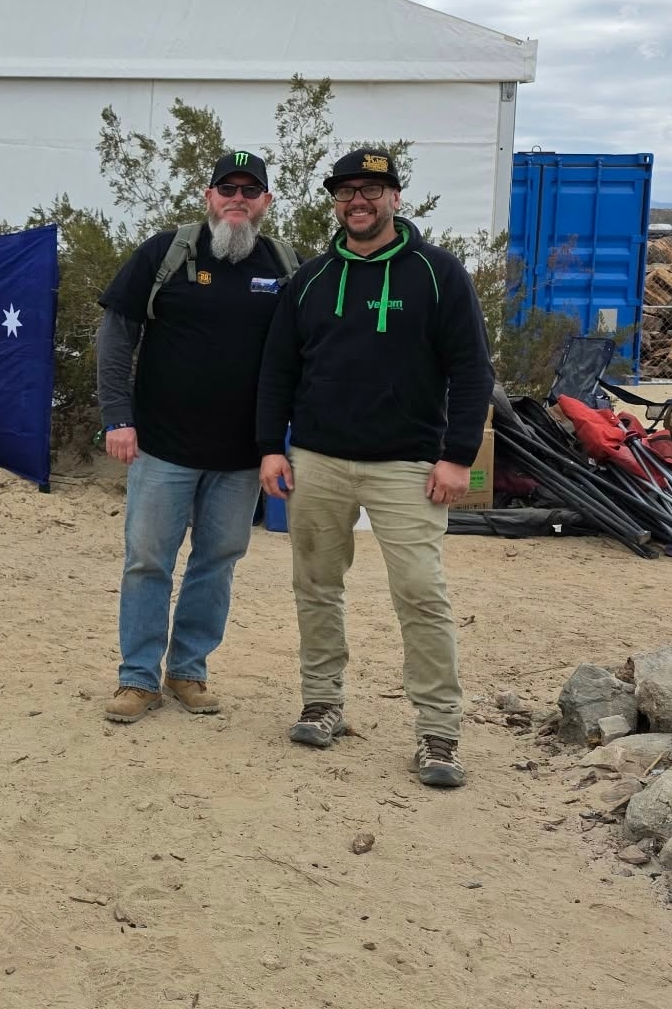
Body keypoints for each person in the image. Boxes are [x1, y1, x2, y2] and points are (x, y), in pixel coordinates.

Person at [255, 147, 492, 789]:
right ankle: (323, 701)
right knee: (316, 584)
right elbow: (278, 369)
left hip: (410, 466)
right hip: (319, 460)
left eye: (372, 190)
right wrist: (271, 447)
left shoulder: (438, 274)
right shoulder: (308, 279)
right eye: (347, 191)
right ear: (335, 201)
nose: (358, 201)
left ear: (395, 198)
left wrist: (457, 459)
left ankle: (439, 733)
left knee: (420, 591)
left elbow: (472, 372)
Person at [94, 151, 300, 724]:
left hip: (241, 458)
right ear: (208, 196)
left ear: (266, 203)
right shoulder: (165, 253)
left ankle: (188, 671)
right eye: (226, 188)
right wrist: (118, 417)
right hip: (162, 448)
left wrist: (282, 442)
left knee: (217, 563)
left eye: (250, 190)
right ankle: (137, 679)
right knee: (147, 563)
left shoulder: (285, 266)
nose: (238, 198)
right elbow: (116, 336)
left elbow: (304, 356)